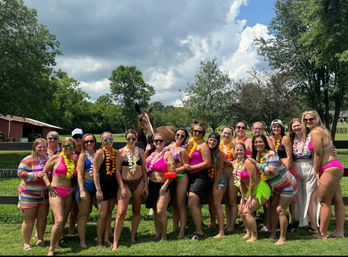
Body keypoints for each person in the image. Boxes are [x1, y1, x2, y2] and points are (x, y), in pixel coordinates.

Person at [302, 110, 345, 238]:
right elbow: (330, 148)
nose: (308, 121)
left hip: (328, 168)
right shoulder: (324, 131)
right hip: (335, 167)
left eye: (311, 119)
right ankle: (339, 232)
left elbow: (318, 153)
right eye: (306, 120)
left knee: (324, 201)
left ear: (316, 119)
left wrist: (315, 171)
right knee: (338, 200)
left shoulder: (315, 132)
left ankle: (322, 233)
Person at [249, 134, 297, 245]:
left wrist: (256, 164)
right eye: (256, 142)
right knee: (273, 208)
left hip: (288, 184)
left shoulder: (271, 154)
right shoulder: (258, 155)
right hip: (276, 186)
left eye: (261, 141)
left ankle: (283, 237)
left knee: (280, 209)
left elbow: (272, 171)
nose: (258, 144)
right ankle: (273, 234)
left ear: (265, 143)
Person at [112, 130, 148, 250]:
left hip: (138, 182)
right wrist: (121, 186)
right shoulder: (121, 152)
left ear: (136, 139)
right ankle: (115, 242)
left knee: (136, 210)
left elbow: (144, 169)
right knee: (121, 212)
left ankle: (133, 236)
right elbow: (117, 171)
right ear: (126, 140)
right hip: (125, 183)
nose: (131, 141)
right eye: (129, 139)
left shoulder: (141, 151)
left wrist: (146, 185)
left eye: (133, 139)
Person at [42, 137, 77, 256]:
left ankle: (57, 242)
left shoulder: (74, 159)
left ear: (73, 148)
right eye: (66, 146)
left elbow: (77, 176)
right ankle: (51, 249)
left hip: (68, 193)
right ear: (62, 147)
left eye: (70, 146)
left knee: (64, 220)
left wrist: (73, 188)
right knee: (59, 219)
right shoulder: (55, 158)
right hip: (55, 191)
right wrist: (48, 184)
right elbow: (44, 172)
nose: (68, 148)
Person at [17, 138, 49, 251]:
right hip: (29, 195)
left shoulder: (49, 159)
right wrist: (35, 175)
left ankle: (40, 239)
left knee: (42, 218)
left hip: (44, 195)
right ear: (35, 148)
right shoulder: (28, 159)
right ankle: (26, 243)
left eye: (44, 146)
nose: (42, 149)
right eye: (39, 147)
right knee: (29, 220)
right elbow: (20, 173)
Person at [236, 142, 271, 242]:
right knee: (242, 211)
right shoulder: (236, 163)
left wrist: (250, 196)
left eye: (241, 150)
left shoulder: (248, 162)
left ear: (245, 151)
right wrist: (243, 196)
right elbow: (240, 182)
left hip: (260, 188)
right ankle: (248, 232)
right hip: (250, 190)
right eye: (237, 150)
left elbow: (253, 180)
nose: (239, 152)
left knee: (247, 211)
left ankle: (254, 236)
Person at [289, 118, 319, 231]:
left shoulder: (310, 137)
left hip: (309, 166)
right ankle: (303, 221)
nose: (296, 128)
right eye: (294, 126)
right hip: (296, 167)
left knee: (310, 195)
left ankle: (313, 222)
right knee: (300, 196)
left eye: (298, 125)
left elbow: (320, 149)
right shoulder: (292, 139)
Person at [145, 132, 176, 241]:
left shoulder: (167, 154)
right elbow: (143, 166)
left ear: (164, 143)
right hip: (152, 184)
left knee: (160, 210)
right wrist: (146, 151)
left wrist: (165, 186)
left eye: (160, 141)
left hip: (164, 185)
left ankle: (164, 235)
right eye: (156, 141)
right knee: (155, 210)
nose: (158, 142)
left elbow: (172, 172)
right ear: (153, 143)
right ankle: (158, 233)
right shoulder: (151, 155)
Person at [184, 120, 211, 240]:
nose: (197, 133)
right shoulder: (191, 142)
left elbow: (207, 163)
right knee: (195, 204)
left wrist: (191, 167)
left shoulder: (203, 145)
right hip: (190, 176)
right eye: (195, 131)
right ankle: (198, 227)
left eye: (199, 132)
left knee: (192, 202)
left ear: (203, 134)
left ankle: (199, 232)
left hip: (201, 176)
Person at [269, 119, 297, 231]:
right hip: (275, 171)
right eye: (274, 127)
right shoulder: (270, 139)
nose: (276, 129)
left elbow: (289, 157)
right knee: (276, 196)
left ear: (282, 128)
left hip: (286, 170)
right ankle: (276, 222)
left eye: (278, 127)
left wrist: (285, 172)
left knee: (291, 198)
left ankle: (291, 222)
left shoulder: (285, 139)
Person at [93, 131, 118, 246]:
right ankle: (99, 240)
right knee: (102, 214)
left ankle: (107, 238)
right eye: (106, 139)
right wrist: (98, 189)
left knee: (109, 214)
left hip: (113, 186)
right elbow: (95, 172)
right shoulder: (99, 153)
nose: (109, 141)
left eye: (110, 139)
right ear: (102, 141)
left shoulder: (115, 153)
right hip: (102, 187)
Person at [166, 128, 190, 239]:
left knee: (181, 204)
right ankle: (175, 227)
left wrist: (175, 171)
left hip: (181, 176)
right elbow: (160, 150)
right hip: (172, 177)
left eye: (182, 136)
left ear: (185, 138)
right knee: (174, 204)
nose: (179, 137)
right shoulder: (171, 146)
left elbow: (186, 166)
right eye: (178, 135)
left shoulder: (183, 150)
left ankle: (182, 230)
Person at [75, 133, 97, 248]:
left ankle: (106, 235)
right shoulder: (83, 155)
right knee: (84, 214)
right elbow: (79, 174)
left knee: (104, 211)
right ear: (83, 144)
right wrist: (82, 189)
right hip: (86, 185)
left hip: (97, 186)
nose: (89, 143)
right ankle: (82, 240)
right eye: (86, 142)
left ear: (95, 142)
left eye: (91, 141)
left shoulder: (98, 153)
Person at [207, 132, 226, 238]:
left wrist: (215, 187)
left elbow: (218, 172)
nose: (212, 142)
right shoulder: (207, 151)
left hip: (219, 180)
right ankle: (213, 224)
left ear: (218, 142)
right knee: (211, 203)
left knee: (217, 204)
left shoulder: (218, 154)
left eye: (214, 140)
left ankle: (221, 231)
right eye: (210, 139)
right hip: (210, 178)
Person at [67, 128, 84, 236]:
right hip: (71, 183)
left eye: (80, 137)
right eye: (75, 137)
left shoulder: (86, 149)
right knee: (72, 208)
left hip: (83, 182)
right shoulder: (69, 152)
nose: (78, 139)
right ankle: (71, 229)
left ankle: (79, 227)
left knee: (81, 208)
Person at [219, 127, 235, 232]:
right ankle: (227, 223)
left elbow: (235, 161)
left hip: (232, 175)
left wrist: (225, 161)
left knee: (232, 201)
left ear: (232, 135)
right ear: (221, 134)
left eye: (229, 134)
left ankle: (232, 225)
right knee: (226, 201)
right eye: (225, 133)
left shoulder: (233, 146)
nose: (226, 135)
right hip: (222, 174)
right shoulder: (218, 146)